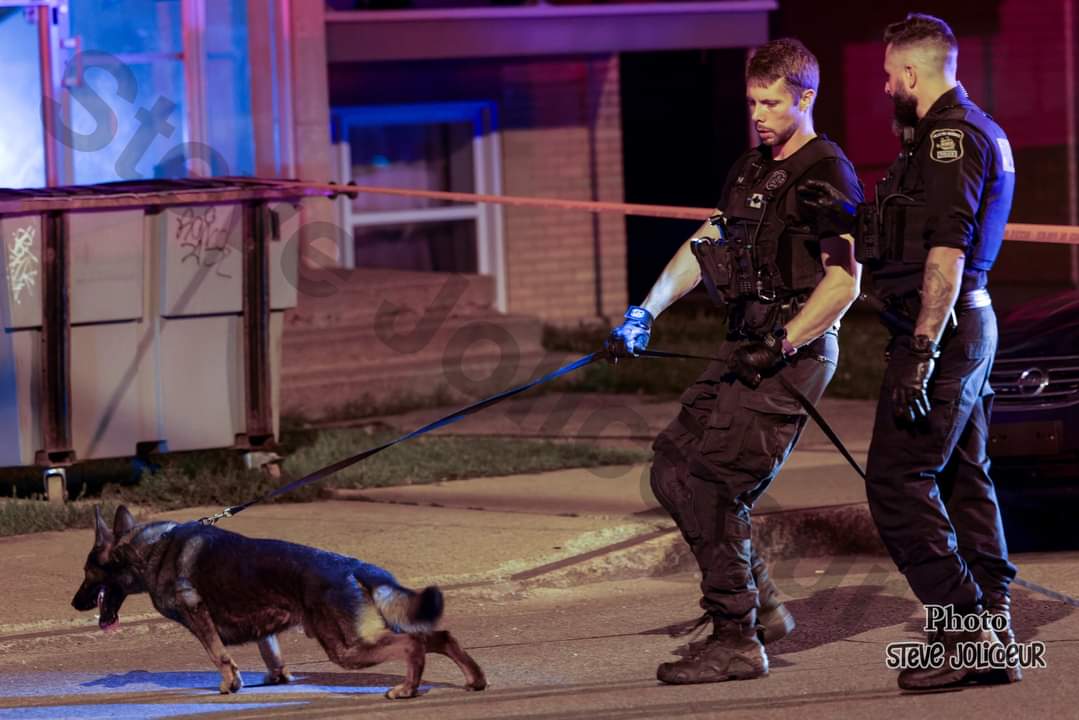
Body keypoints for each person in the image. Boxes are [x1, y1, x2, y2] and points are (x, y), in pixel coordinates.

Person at [605, 38, 862, 684]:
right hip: (742, 340)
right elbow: (709, 239)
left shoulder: (827, 173)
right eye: (752, 102)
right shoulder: (750, 169)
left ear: (805, 98)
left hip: (792, 351)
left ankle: (736, 639)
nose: (758, 114)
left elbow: (843, 282)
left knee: (716, 484)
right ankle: (762, 607)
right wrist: (643, 313)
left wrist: (783, 343)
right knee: (673, 468)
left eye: (770, 103)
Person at [800, 13, 1019, 690]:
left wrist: (921, 350)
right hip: (966, 326)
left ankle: (966, 632)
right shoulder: (970, 131)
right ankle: (991, 619)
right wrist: (846, 218)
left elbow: (947, 252)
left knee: (895, 482)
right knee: (961, 477)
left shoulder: (949, 139)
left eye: (889, 74)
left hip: (941, 331)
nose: (885, 85)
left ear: (911, 72)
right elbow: (912, 231)